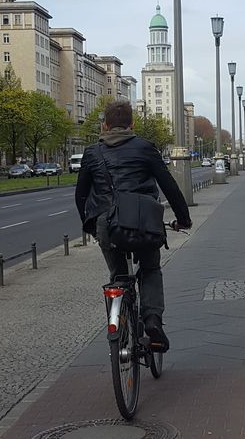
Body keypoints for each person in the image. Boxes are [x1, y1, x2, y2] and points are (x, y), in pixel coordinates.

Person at [75, 101, 192, 352]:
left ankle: (118, 320)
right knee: (150, 269)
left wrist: (90, 226)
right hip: (143, 222)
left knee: (118, 276)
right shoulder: (145, 148)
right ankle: (152, 320)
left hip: (108, 223)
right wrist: (183, 218)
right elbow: (169, 186)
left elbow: (81, 195)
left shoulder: (92, 153)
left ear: (104, 125)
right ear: (132, 124)